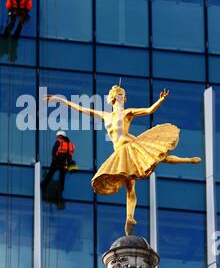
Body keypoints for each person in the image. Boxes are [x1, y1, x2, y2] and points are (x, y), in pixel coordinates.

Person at [45, 86, 201, 235]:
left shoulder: (127, 112)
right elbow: (81, 109)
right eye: (118, 94)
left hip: (129, 146)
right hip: (119, 153)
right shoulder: (105, 115)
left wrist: (160, 101)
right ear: (113, 97)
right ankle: (129, 217)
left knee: (159, 157)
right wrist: (59, 100)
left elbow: (148, 111)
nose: (121, 97)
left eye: (122, 95)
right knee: (129, 186)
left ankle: (188, 160)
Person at [41, 131, 75, 199]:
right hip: (64, 163)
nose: (57, 138)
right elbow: (70, 156)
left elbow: (54, 150)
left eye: (58, 136)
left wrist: (53, 158)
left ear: (60, 136)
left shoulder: (59, 141)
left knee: (50, 174)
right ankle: (60, 191)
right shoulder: (70, 144)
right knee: (62, 178)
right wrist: (69, 165)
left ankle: (43, 185)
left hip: (57, 161)